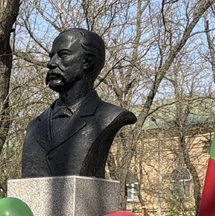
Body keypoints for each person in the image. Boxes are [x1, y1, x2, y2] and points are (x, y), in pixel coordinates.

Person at [21, 28, 137, 179]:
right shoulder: (34, 127)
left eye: (63, 55)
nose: (51, 63)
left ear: (87, 61)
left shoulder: (108, 117)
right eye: (51, 56)